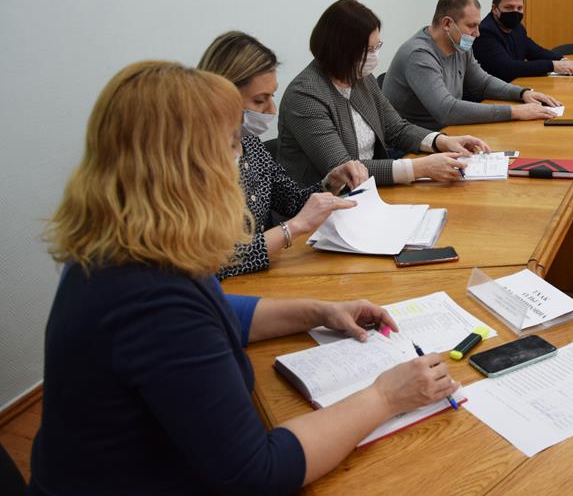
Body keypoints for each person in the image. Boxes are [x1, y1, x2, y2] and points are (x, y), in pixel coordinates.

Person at [31, 61, 459, 495]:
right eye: (233, 146)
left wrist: (319, 312)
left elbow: (218, 308)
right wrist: (385, 396)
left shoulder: (123, 245)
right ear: (188, 169)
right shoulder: (152, 298)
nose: (240, 162)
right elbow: (258, 472)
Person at [198, 31, 368, 279]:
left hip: (263, 277)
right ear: (221, 98)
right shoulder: (193, 162)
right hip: (226, 290)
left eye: (272, 96)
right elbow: (215, 260)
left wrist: (331, 183)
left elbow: (291, 201)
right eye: (260, 100)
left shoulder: (250, 143)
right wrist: (292, 229)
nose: (272, 109)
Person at [278, 0, 489, 186]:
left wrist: (441, 141)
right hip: (323, 205)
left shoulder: (361, 78)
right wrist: (418, 168)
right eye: (368, 50)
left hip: (370, 191)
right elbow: (344, 169)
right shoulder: (305, 96)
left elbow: (396, 128)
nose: (374, 56)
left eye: (377, 46)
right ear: (339, 50)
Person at [382, 0, 562, 131]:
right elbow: (446, 110)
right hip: (411, 147)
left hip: (446, 134)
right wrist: (515, 111)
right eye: (471, 26)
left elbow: (482, 83)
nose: (477, 33)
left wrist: (522, 93)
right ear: (447, 24)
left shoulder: (460, 45)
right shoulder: (419, 55)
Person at [472, 0, 573, 81]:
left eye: (519, 8)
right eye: (509, 8)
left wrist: (564, 61)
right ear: (494, 9)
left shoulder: (517, 28)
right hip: (493, 93)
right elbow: (507, 68)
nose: (515, 12)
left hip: (516, 85)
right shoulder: (485, 32)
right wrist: (553, 66)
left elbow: (535, 51)